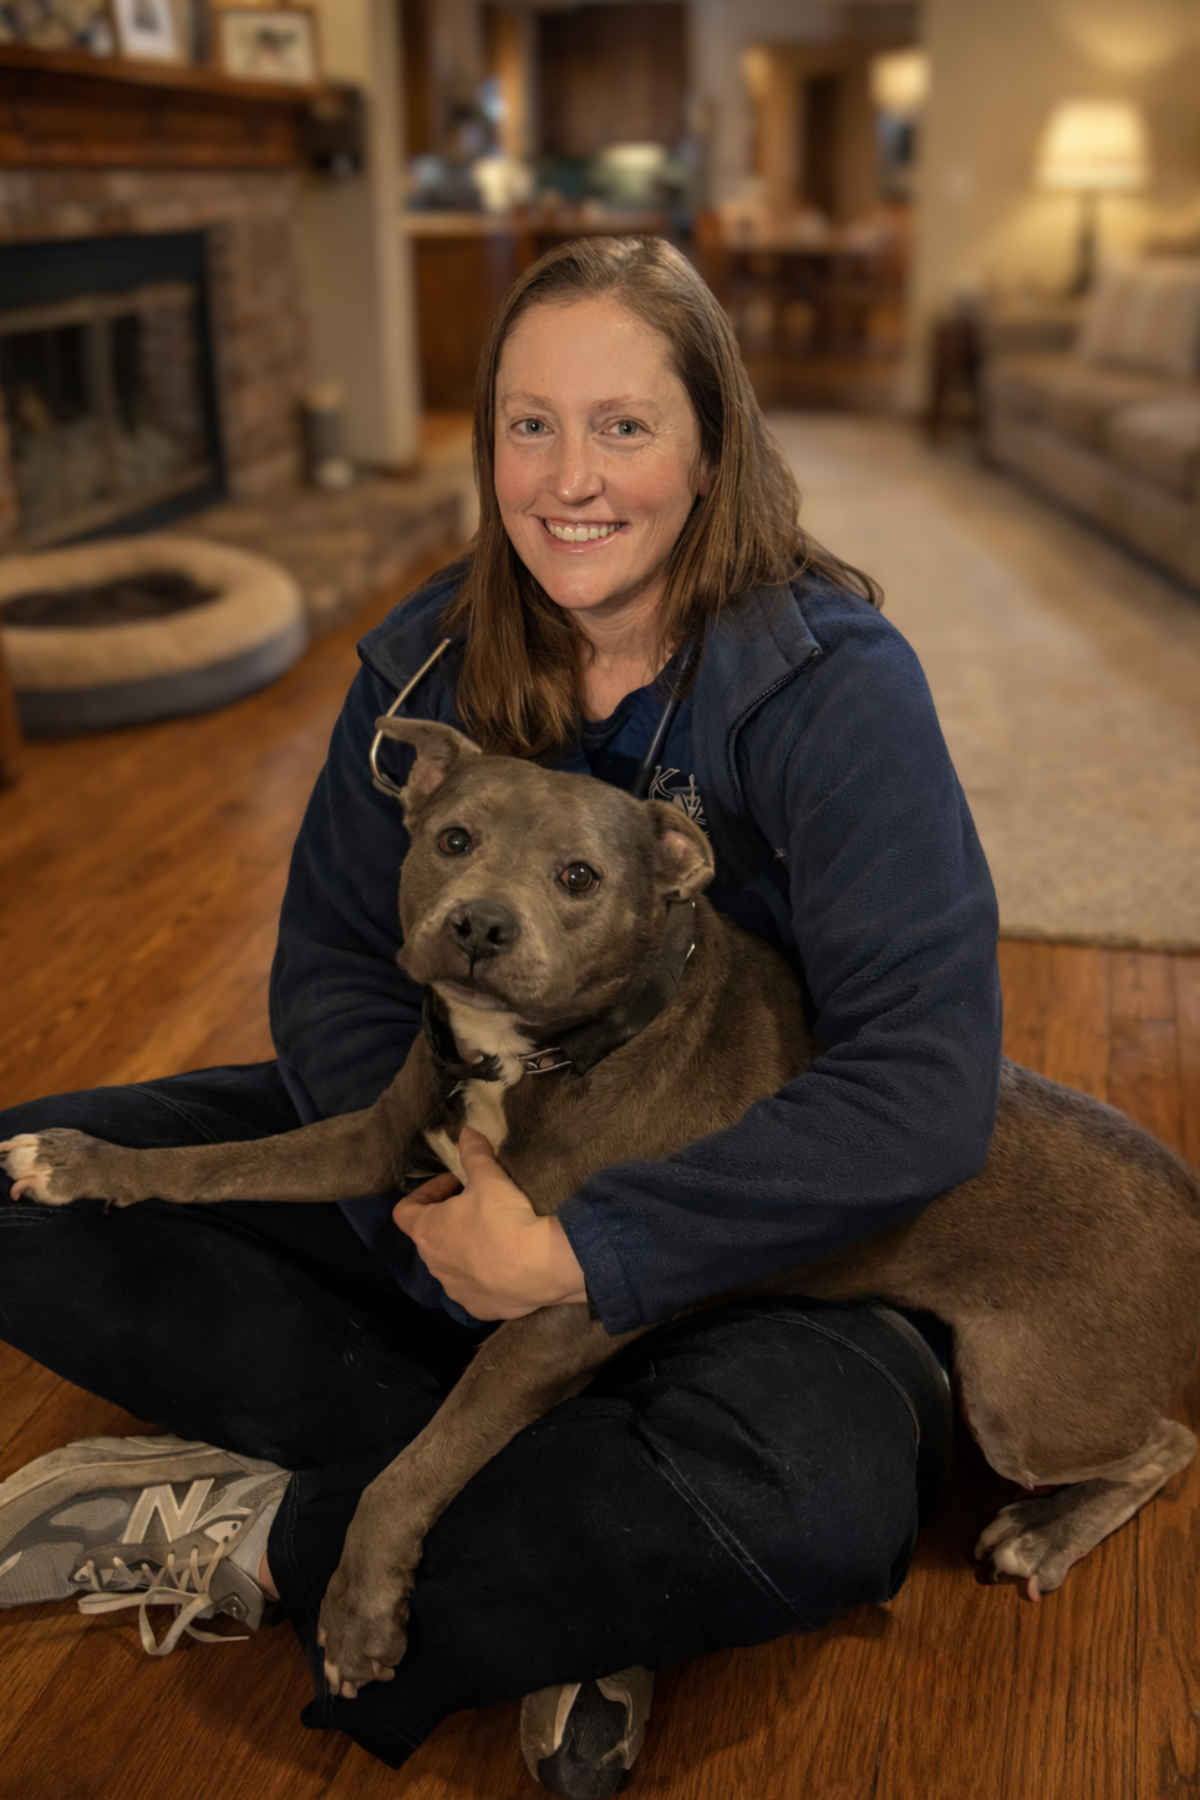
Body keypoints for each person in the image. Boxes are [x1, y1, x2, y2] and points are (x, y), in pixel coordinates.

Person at [0, 237, 998, 1797]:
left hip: (737, 1255)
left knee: (808, 1500)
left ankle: (285, 1532)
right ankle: (578, 1559)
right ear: (484, 447)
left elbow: (927, 1087)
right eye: (529, 424)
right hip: (446, 1156)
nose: (570, 477)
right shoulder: (421, 667)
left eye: (624, 424)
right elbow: (333, 964)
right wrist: (435, 1203)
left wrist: (585, 1257)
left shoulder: (832, 689)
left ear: (710, 447)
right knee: (23, 1188)